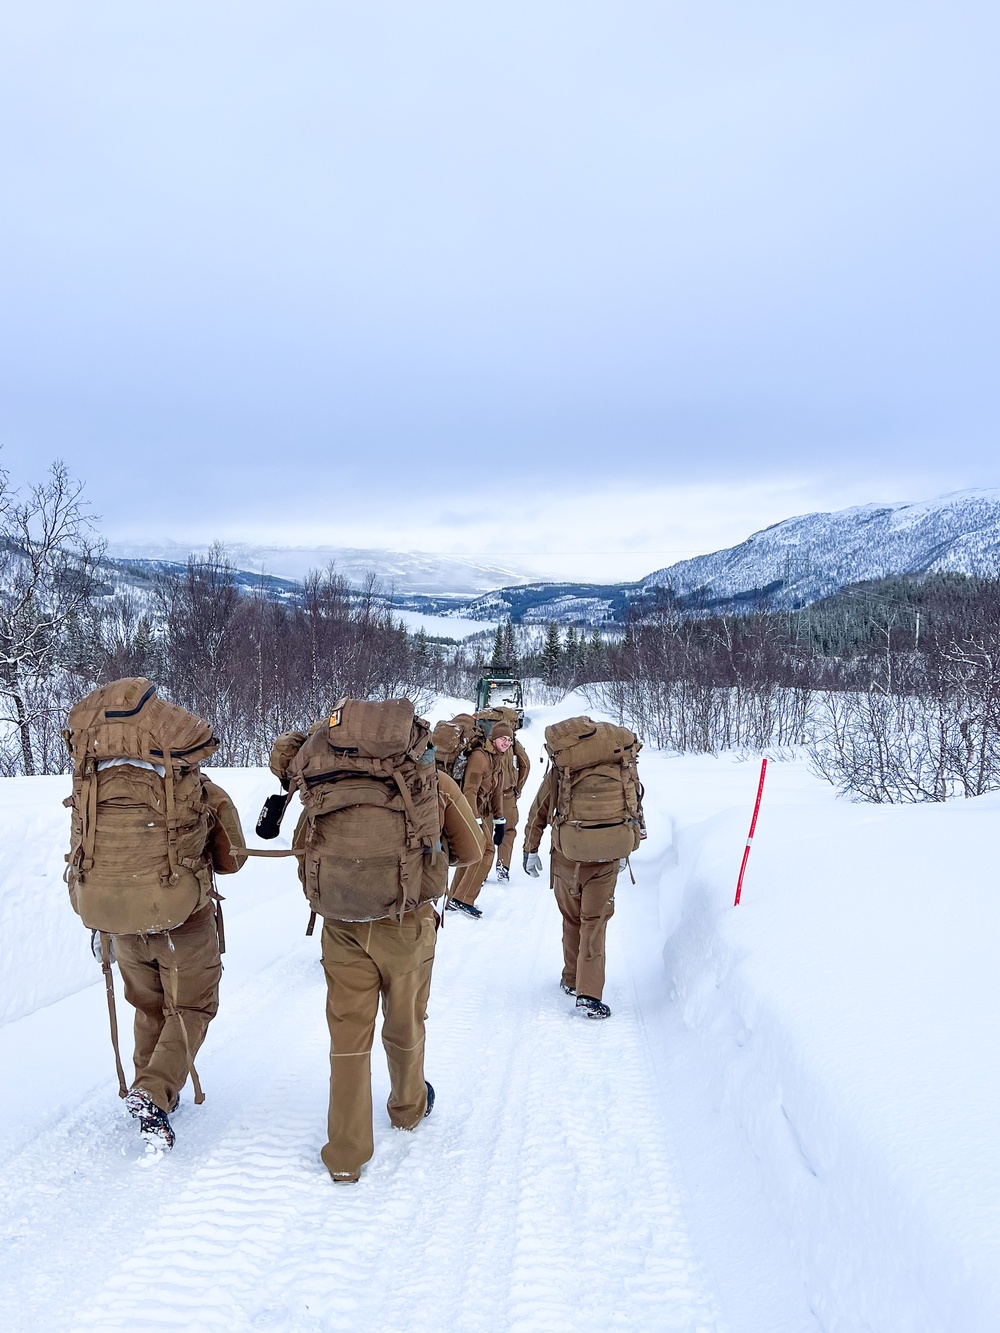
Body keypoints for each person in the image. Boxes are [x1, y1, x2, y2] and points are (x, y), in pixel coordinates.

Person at [269, 698, 484, 1185]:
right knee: (406, 1020)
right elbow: (473, 852)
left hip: (341, 924)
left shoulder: (327, 781)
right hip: (406, 924)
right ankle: (408, 1107)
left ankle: (345, 1153)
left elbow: (307, 846)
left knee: (348, 1036)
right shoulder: (429, 782)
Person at [64, 677, 246, 1150]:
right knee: (192, 1006)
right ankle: (154, 1093)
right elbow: (234, 859)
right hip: (183, 920)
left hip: (118, 921)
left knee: (148, 1005)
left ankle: (152, 1088)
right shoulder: (200, 791)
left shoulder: (92, 789)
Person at [521, 716, 643, 1020]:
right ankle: (589, 994)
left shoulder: (563, 772)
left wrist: (530, 849)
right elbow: (634, 806)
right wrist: (627, 845)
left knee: (572, 918)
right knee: (594, 923)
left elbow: (540, 809)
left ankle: (571, 979)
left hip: (566, 857)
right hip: (606, 861)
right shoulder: (622, 766)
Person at [446, 720, 513, 918]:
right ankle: (463, 899)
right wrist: (473, 820)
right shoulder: (480, 757)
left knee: (473, 853)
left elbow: (496, 792)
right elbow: (469, 790)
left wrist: (500, 820)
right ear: (494, 738)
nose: (506, 743)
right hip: (465, 809)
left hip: (480, 812)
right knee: (486, 851)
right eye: (503, 738)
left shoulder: (497, 758)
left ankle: (453, 899)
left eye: (509, 740)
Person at [494, 728, 530, 883]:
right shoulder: (513, 742)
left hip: (486, 796)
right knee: (508, 831)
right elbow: (526, 765)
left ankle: (479, 872)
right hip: (507, 795)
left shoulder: (485, 740)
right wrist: (518, 788)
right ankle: (503, 866)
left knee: (484, 833)